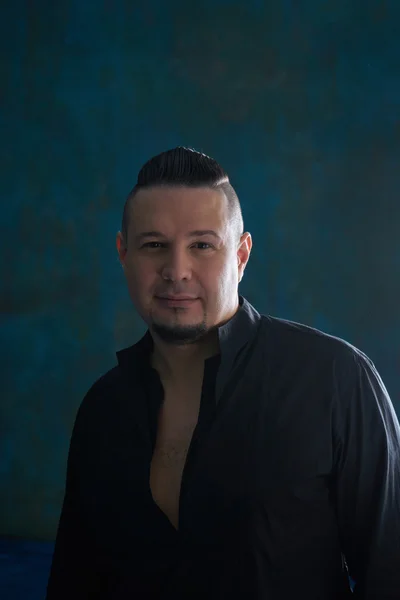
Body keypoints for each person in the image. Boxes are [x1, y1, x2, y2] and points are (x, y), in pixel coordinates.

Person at [46, 147, 400, 599]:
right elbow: (75, 583)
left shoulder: (337, 380)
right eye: (154, 245)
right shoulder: (102, 409)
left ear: (241, 254)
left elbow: (391, 570)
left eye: (202, 245)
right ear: (124, 254)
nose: (176, 271)